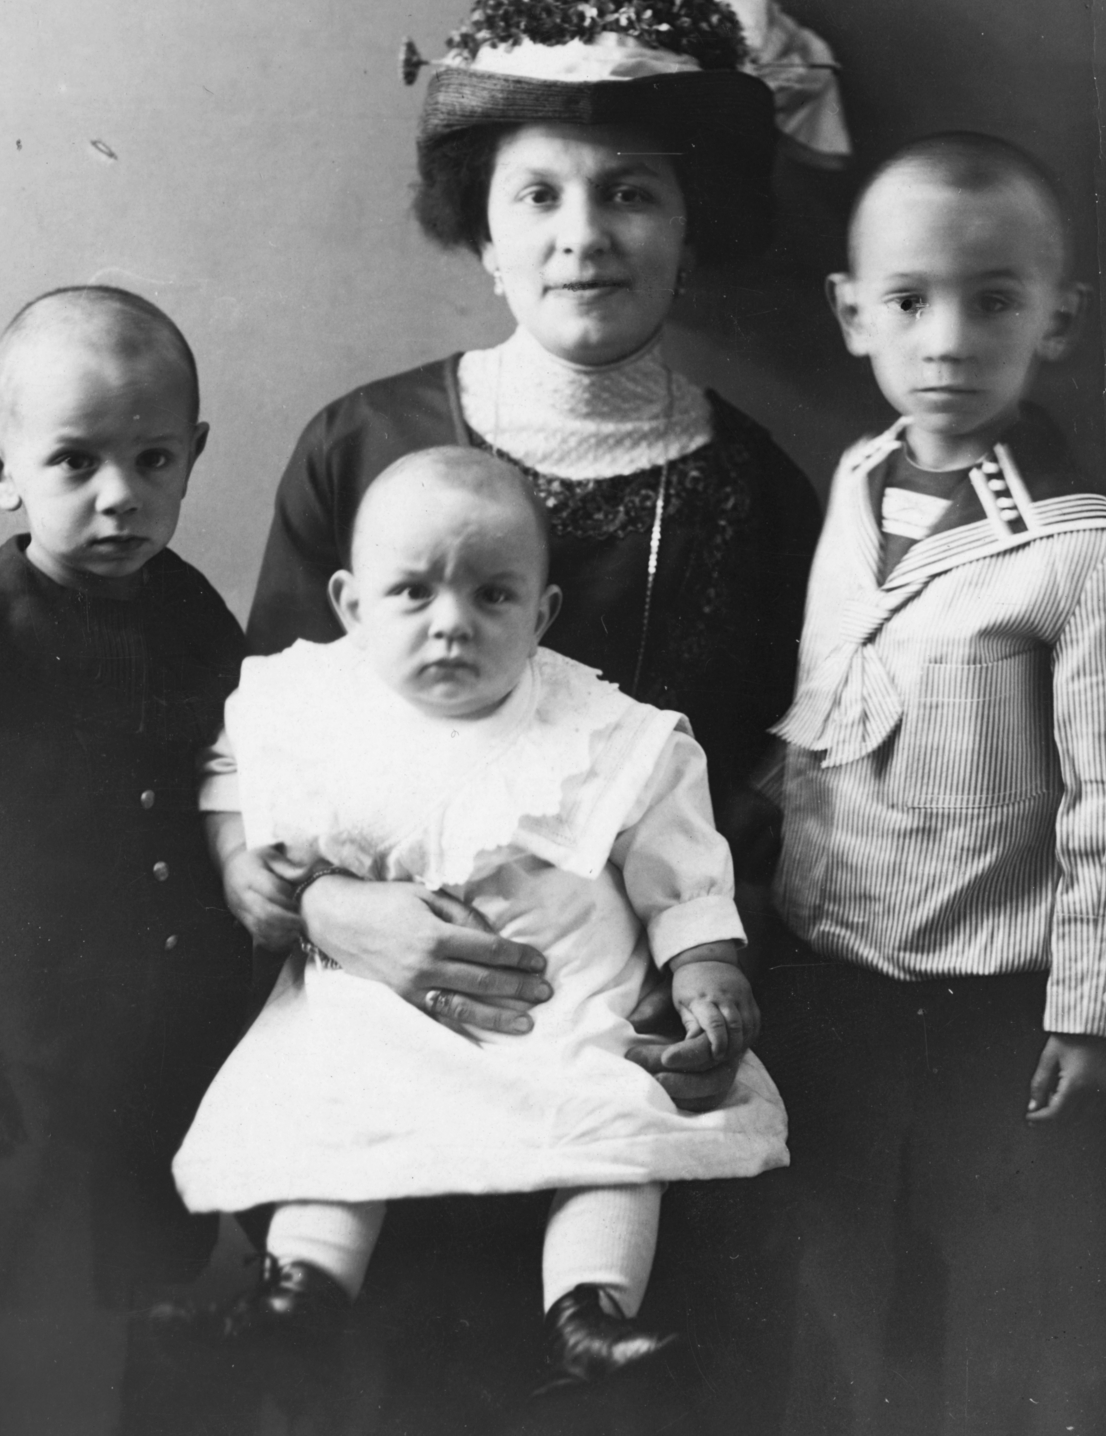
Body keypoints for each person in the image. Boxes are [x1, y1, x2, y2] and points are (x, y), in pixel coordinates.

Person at [235, 0, 829, 1427]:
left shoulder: (755, 491)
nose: (585, 234)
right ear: (481, 234)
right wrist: (322, 908)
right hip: (376, 1040)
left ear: (690, 230)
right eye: (539, 195)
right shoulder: (361, 450)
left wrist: (693, 981)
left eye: (631, 190)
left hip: (612, 1081)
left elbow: (767, 791)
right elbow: (259, 752)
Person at [172, 446, 788, 1390]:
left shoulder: (597, 726)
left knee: (617, 1117)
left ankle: (588, 1312)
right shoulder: (313, 702)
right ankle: (302, 1291)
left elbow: (677, 849)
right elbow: (233, 773)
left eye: (492, 597)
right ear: (352, 604)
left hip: (563, 1000)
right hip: (377, 1001)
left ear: (541, 613)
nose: (451, 624)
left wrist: (705, 962)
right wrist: (237, 861)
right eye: (412, 594)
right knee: (334, 1091)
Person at [759, 133, 1106, 1433]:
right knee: (848, 1290)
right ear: (851, 315)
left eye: (992, 302)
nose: (948, 341)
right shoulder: (856, 482)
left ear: (1057, 322)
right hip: (834, 969)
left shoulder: (1080, 550)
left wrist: (1089, 1011)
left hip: (990, 1001)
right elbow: (832, 694)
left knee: (995, 1300)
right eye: (909, 302)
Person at [0, 286, 254, 1432]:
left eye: (150, 460)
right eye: (75, 462)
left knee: (149, 1272)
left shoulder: (192, 617)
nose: (118, 497)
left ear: (193, 455)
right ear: (1, 467)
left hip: (160, 1031)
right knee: (43, 1306)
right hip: (24, 1057)